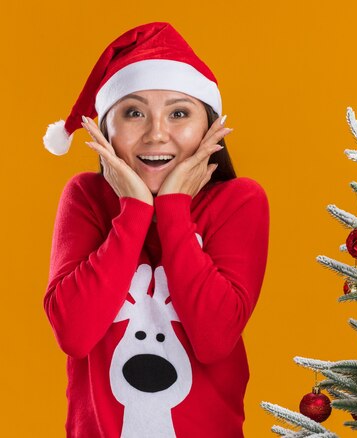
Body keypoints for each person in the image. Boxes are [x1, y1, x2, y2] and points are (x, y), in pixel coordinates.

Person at [42, 22, 270, 438]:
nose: (156, 133)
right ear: (105, 129)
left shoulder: (239, 201)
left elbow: (214, 339)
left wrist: (173, 208)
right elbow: (74, 333)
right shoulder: (85, 197)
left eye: (179, 113)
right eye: (133, 113)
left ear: (210, 127)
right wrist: (132, 210)